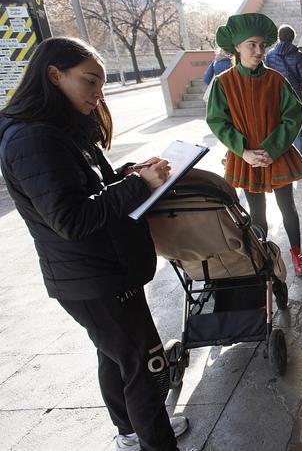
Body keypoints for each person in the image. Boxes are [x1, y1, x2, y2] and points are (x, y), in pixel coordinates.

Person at [0, 37, 189, 451]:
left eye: (101, 84)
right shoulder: (33, 139)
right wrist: (138, 185)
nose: (98, 94)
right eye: (90, 82)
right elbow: (71, 218)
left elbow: (84, 188)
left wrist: (127, 174)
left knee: (117, 357)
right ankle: (156, 441)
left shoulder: (54, 129)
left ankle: (129, 431)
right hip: (94, 277)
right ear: (54, 75)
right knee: (145, 364)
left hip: (95, 274)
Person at [205, 13, 302, 276]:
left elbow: (293, 114)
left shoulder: (276, 79)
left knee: (288, 207)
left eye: (262, 45)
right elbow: (218, 121)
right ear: (237, 47)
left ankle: (296, 253)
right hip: (246, 157)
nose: (259, 50)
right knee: (256, 211)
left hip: (278, 154)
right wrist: (244, 151)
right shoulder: (223, 82)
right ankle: (261, 257)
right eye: (252, 44)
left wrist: (272, 148)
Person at [266, 24, 302, 154]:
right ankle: (298, 162)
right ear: (293, 38)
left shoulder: (270, 55)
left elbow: (267, 77)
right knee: (297, 130)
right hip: (295, 96)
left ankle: (285, 162)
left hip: (276, 97)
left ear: (279, 37)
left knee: (280, 129)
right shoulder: (298, 56)